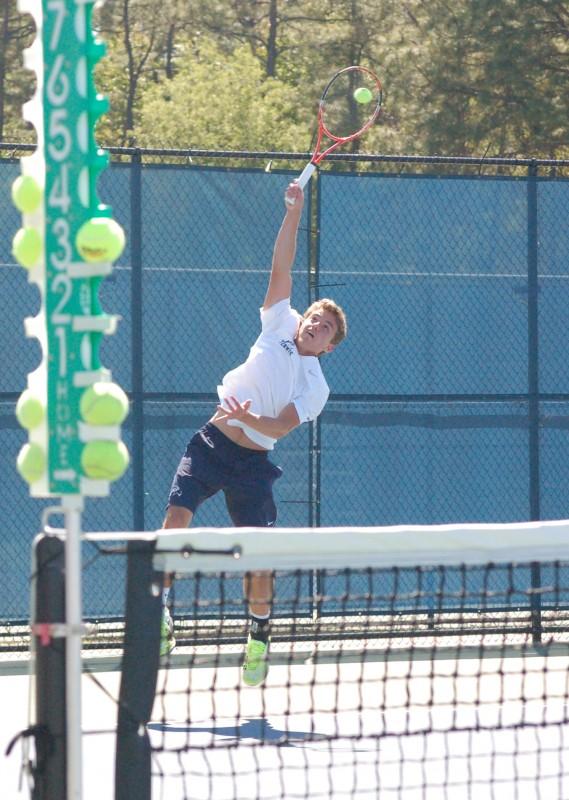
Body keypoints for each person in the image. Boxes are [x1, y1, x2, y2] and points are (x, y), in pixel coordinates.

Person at [160, 180, 347, 686]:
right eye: (313, 317)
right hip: (211, 443)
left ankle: (259, 634)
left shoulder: (316, 385)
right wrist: (293, 212)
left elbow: (281, 427)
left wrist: (244, 418)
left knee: (255, 561)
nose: (314, 324)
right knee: (175, 519)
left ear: (330, 345)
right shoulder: (278, 323)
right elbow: (281, 266)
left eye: (324, 326)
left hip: (253, 463)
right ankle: (159, 611)